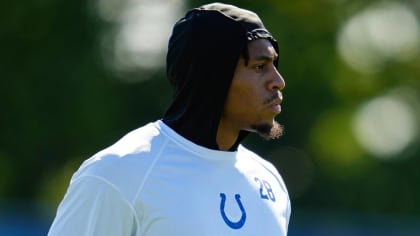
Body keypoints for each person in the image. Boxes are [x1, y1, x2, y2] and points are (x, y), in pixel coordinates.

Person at [48, 2, 290, 235]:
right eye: (260, 66)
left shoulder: (269, 179)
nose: (278, 81)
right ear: (213, 76)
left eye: (274, 65)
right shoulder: (116, 174)